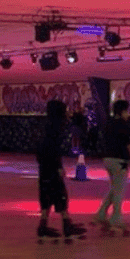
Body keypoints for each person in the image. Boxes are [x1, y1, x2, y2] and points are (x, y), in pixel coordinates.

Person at [35, 100, 85, 242]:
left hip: (44, 165)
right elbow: (54, 148)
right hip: (51, 164)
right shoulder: (56, 127)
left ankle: (43, 226)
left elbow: (41, 147)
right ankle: (66, 225)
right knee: (59, 193)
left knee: (46, 193)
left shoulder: (45, 125)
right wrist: (58, 166)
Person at [92, 100, 130, 234]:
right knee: (119, 191)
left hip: (107, 159)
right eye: (127, 111)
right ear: (123, 111)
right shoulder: (125, 126)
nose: (129, 113)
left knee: (115, 188)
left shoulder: (108, 124)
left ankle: (101, 214)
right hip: (119, 161)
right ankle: (116, 219)